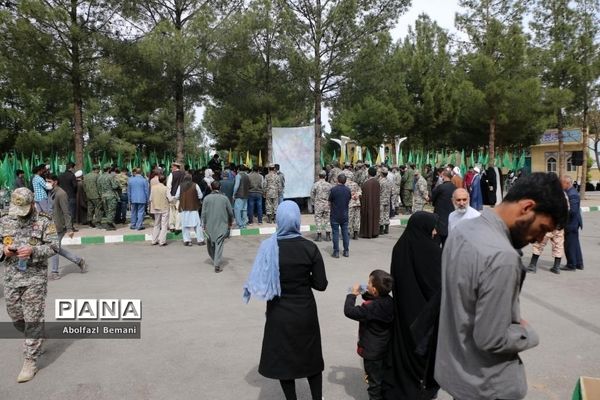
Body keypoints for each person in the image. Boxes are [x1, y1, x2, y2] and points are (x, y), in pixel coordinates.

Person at [435, 173, 568, 400]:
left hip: (458, 374)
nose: (539, 239)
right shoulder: (502, 257)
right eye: (543, 228)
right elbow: (492, 338)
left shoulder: (462, 231)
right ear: (527, 207)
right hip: (488, 386)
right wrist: (527, 333)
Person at [243, 200, 327, 400]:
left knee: (284, 358)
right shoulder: (309, 248)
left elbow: (262, 278)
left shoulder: (269, 247)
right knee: (311, 357)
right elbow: (321, 284)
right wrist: (302, 277)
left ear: (279, 220)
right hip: (305, 312)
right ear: (297, 219)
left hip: (278, 312)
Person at [0, 188, 59, 382]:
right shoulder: (6, 219)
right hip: (10, 278)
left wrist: (33, 250)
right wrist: (4, 250)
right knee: (16, 316)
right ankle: (37, 335)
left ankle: (30, 360)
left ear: (32, 204)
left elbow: (53, 246)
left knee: (32, 318)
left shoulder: (43, 220)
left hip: (34, 278)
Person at [383, 212, 442, 400]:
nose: (435, 231)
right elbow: (437, 286)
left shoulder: (399, 247)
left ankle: (405, 384)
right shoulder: (431, 251)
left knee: (404, 347)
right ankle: (422, 386)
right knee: (423, 351)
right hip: (425, 314)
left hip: (403, 308)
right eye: (433, 227)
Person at [344, 270, 394, 400]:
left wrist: (352, 295)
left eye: (369, 283)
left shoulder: (370, 308)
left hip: (371, 353)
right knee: (382, 379)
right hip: (385, 348)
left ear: (375, 290)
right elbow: (377, 301)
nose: (367, 284)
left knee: (374, 384)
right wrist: (367, 293)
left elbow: (349, 311)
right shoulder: (390, 301)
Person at [46, 175, 86, 280]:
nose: (47, 183)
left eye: (49, 181)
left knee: (54, 248)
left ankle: (54, 272)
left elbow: (66, 212)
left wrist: (69, 228)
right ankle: (78, 260)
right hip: (51, 225)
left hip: (59, 226)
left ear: (55, 182)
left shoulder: (61, 194)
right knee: (56, 248)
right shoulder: (51, 192)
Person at [201, 180, 233, 272]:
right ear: (220, 188)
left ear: (211, 187)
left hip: (209, 225)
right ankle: (216, 261)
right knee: (219, 244)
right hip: (222, 224)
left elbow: (203, 213)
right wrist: (230, 222)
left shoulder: (206, 198)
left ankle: (216, 263)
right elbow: (230, 212)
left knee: (211, 244)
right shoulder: (224, 198)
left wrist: (203, 224)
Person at [561, 175, 584, 271]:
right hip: (573, 223)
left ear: (567, 183)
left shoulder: (572, 194)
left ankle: (571, 264)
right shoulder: (569, 192)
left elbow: (573, 211)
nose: (560, 185)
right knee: (575, 243)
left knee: (569, 244)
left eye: (562, 183)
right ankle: (579, 263)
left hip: (571, 223)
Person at [175, 175, 205, 247]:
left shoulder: (180, 186)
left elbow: (176, 196)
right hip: (193, 207)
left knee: (184, 225)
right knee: (197, 224)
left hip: (183, 207)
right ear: (191, 179)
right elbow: (200, 196)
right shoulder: (195, 185)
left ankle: (187, 241)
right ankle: (200, 240)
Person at [329, 174, 351, 258]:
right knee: (345, 233)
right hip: (344, 214)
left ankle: (336, 252)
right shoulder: (348, 190)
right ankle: (346, 251)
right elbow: (348, 199)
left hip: (335, 214)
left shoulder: (333, 190)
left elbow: (330, 201)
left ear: (338, 180)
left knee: (335, 233)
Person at [431, 170, 456, 245]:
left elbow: (433, 198)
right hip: (451, 214)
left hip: (440, 214)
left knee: (437, 241)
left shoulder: (440, 187)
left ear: (444, 176)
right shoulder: (455, 187)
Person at [310, 171, 332, 242]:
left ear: (319, 176)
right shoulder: (329, 185)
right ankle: (328, 236)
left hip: (318, 204)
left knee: (318, 219)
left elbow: (312, 194)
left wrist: (314, 202)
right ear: (325, 177)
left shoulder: (315, 185)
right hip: (327, 204)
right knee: (327, 219)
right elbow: (332, 194)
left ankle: (319, 236)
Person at [97, 165, 120, 231]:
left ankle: (110, 223)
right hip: (111, 195)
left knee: (107, 210)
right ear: (109, 169)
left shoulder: (100, 177)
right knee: (112, 210)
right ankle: (109, 223)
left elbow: (98, 188)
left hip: (103, 196)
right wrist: (117, 183)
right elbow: (115, 186)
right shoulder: (110, 176)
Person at [360, 167, 380, 239]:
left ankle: (367, 233)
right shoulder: (377, 182)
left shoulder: (366, 183)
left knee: (368, 217)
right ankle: (374, 232)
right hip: (375, 204)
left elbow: (363, 195)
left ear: (368, 173)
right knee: (375, 217)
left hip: (368, 204)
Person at [150, 175, 170, 246]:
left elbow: (150, 198)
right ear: (164, 181)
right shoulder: (165, 188)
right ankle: (162, 241)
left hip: (156, 208)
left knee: (156, 224)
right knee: (164, 225)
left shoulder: (153, 188)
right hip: (164, 208)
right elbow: (170, 198)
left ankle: (154, 240)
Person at [58, 162, 78, 231]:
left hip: (62, 196)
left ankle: (64, 226)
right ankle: (70, 227)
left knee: (64, 211)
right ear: (72, 168)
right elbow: (75, 186)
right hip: (71, 195)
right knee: (71, 212)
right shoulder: (72, 175)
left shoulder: (60, 175)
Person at [166, 162, 184, 233]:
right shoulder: (184, 174)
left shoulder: (172, 174)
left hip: (173, 195)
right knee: (179, 211)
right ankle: (178, 227)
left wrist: (169, 196)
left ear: (175, 167)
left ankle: (171, 226)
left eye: (172, 167)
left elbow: (168, 186)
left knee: (172, 211)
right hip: (181, 196)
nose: (171, 168)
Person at [346, 175, 362, 240]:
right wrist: (356, 195)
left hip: (350, 204)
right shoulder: (356, 184)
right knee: (357, 218)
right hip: (357, 203)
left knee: (349, 218)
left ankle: (348, 233)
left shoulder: (345, 185)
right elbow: (360, 192)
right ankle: (356, 234)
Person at [378, 168, 393, 235]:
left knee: (381, 214)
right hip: (387, 199)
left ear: (381, 173)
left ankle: (381, 230)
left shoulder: (380, 181)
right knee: (386, 214)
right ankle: (386, 229)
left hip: (381, 200)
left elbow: (378, 190)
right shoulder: (389, 181)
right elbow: (392, 191)